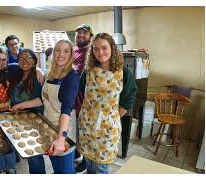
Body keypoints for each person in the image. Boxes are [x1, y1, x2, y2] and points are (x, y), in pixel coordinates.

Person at [11, 40, 79, 174]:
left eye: (66, 51)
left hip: (63, 131)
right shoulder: (49, 73)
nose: (61, 54)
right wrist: (21, 105)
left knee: (64, 171)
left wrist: (60, 139)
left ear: (71, 55)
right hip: (49, 127)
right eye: (58, 50)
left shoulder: (71, 76)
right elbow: (43, 99)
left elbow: (67, 110)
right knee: (56, 166)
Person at [77, 33, 137, 174]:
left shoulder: (124, 74)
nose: (100, 52)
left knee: (100, 167)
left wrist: (112, 117)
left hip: (107, 128)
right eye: (96, 49)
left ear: (112, 48)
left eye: (104, 48)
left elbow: (128, 100)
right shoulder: (88, 72)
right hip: (86, 124)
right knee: (89, 162)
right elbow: (81, 92)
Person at [0, 47, 19, 173]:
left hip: (8, 114)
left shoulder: (10, 72)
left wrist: (38, 70)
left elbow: (27, 67)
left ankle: (11, 169)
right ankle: (2, 169)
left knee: (9, 144)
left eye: (4, 59)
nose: (1, 62)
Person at [73, 24, 93, 173]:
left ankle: (86, 162)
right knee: (74, 131)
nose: (81, 35)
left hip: (84, 101)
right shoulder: (73, 50)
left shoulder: (92, 52)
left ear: (90, 36)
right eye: (79, 33)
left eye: (84, 33)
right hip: (71, 99)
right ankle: (76, 155)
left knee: (85, 134)